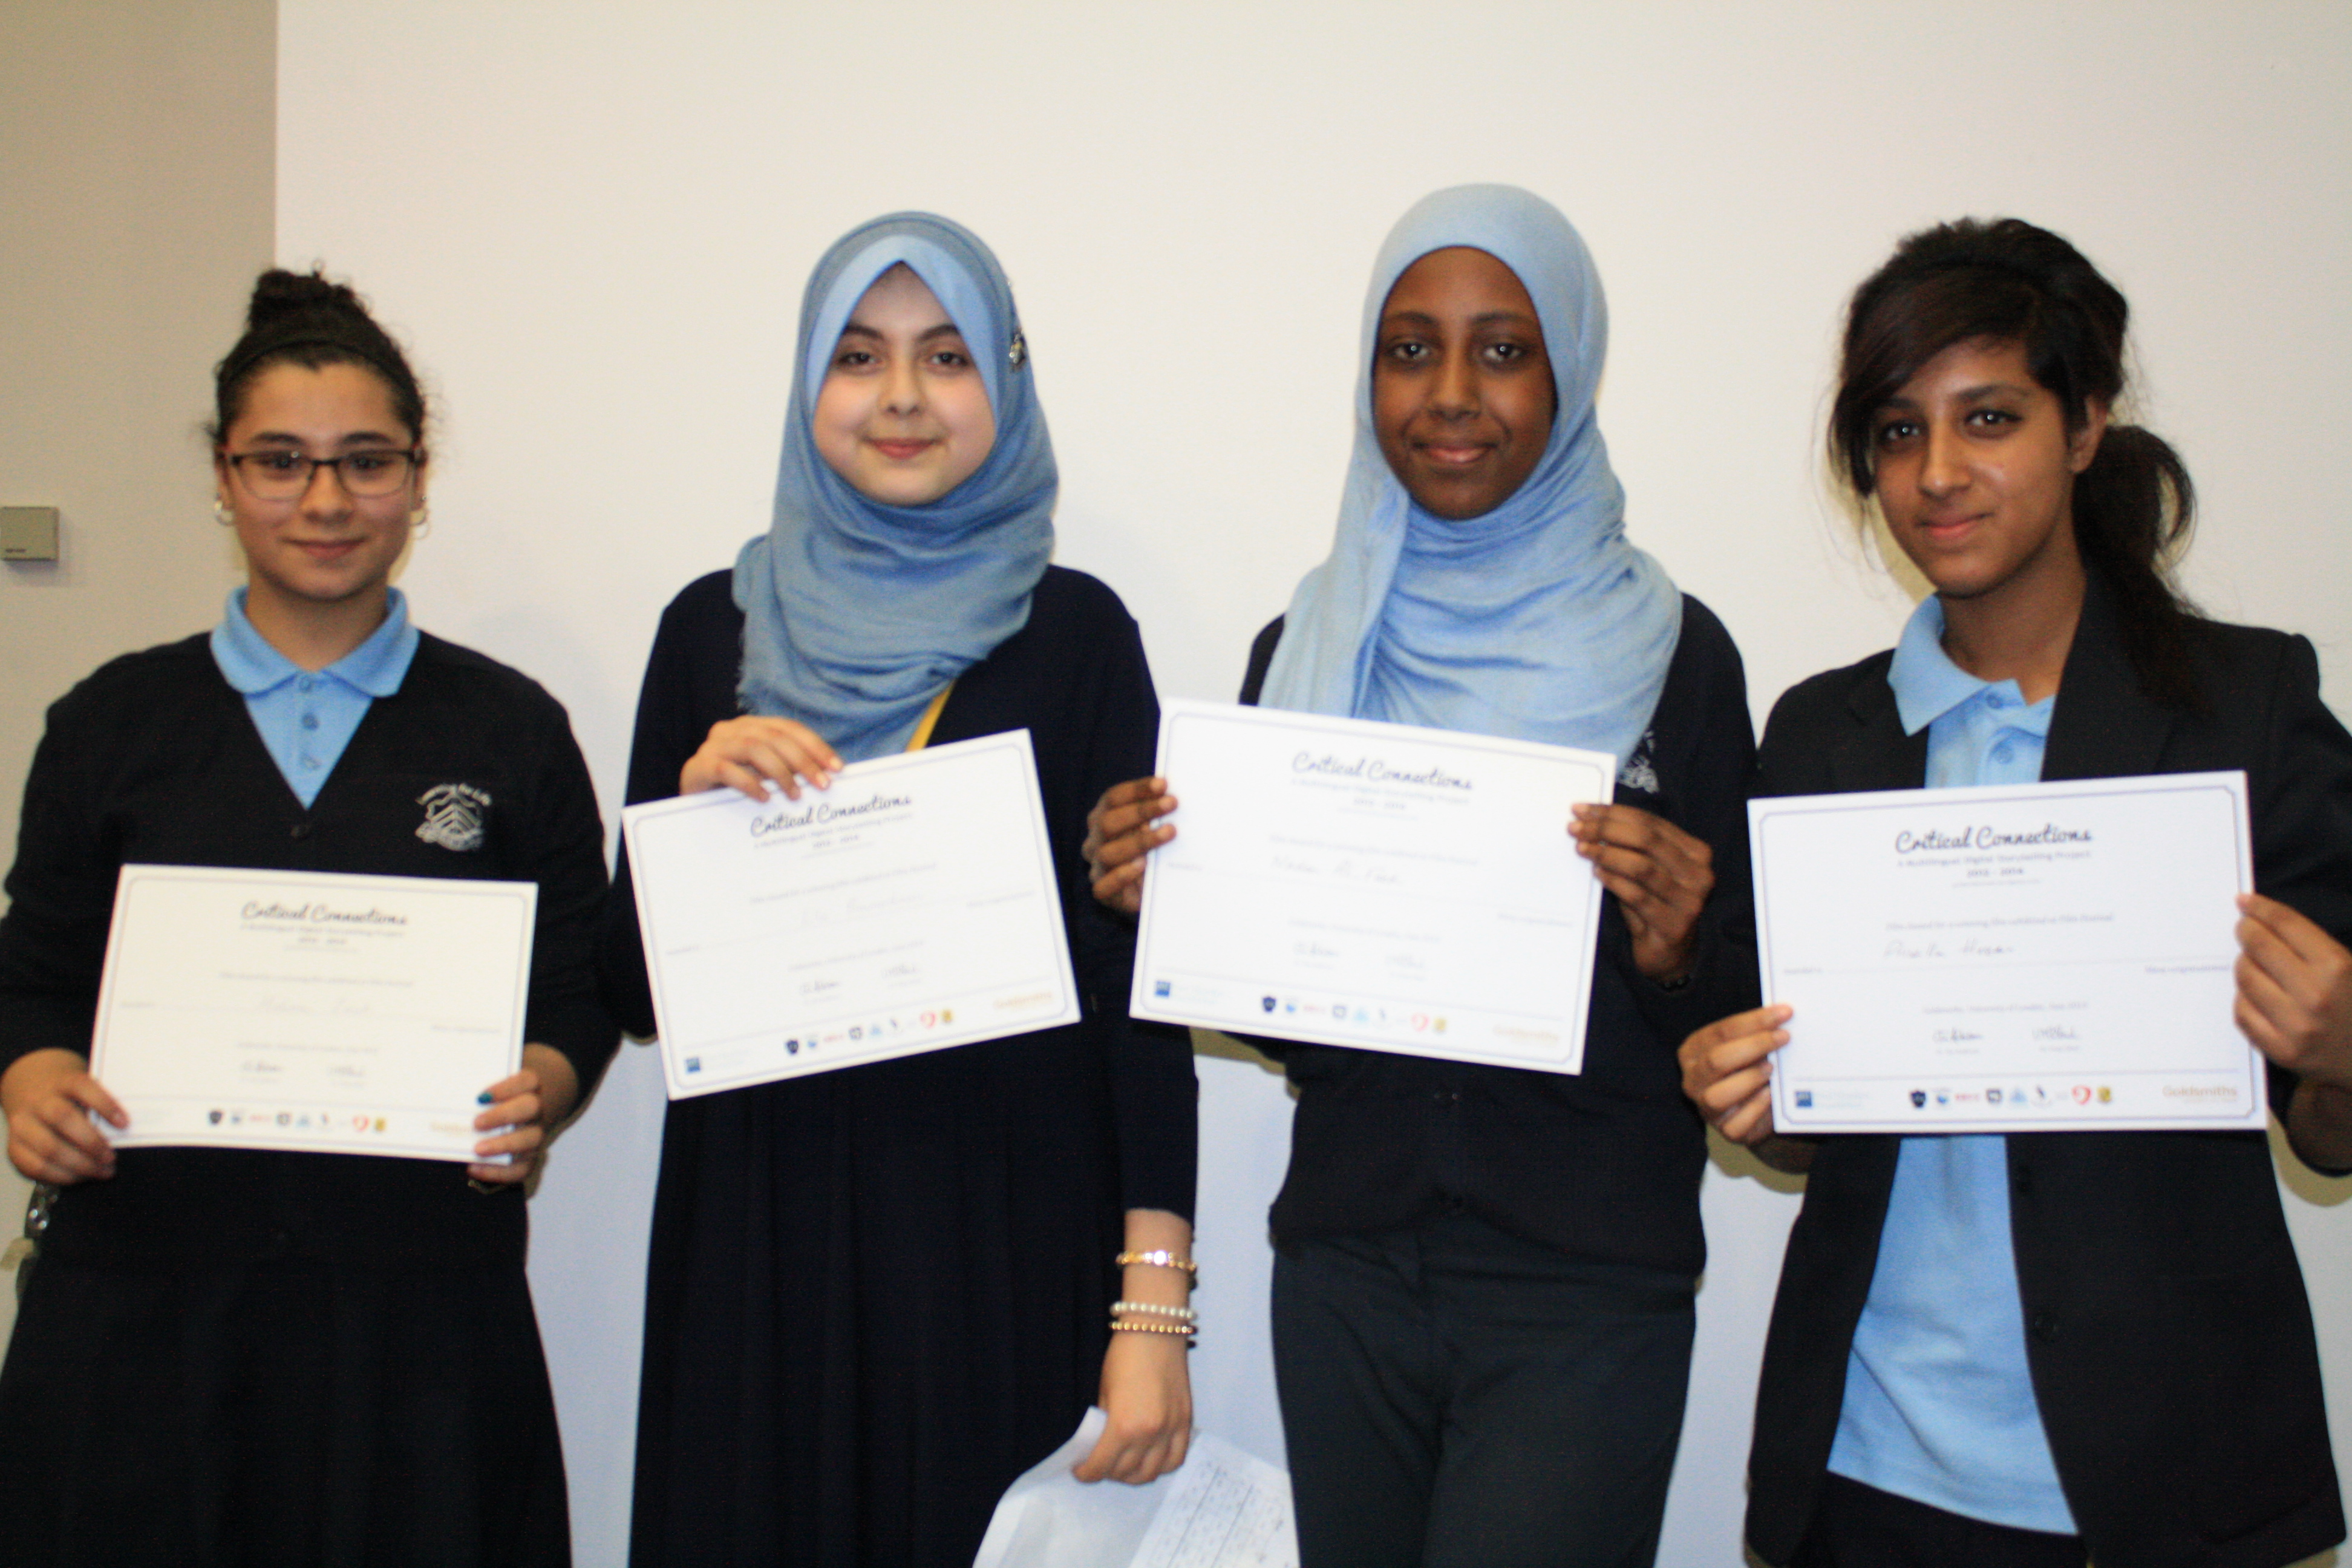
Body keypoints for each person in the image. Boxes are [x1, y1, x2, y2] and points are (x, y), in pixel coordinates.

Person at [1084, 185, 1757, 1567]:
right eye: (1410, 350)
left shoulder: (1675, 655)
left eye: (1503, 349)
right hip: (1349, 1275)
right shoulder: (1309, 644)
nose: (1451, 394)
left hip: (1587, 1291)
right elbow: (1299, 1026)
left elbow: (1738, 1024)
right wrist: (1180, 910)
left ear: (1569, 372)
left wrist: (1679, 948)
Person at [1681, 217, 2352, 1568]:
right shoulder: (1822, 737)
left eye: (1988, 417)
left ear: (2087, 423)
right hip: (1869, 1460)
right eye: (1897, 432)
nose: (1938, 473)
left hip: (2159, 1474)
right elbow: (1810, 1134)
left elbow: (2329, 1137)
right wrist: (1751, 1092)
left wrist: (2343, 1046)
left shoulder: (2244, 707)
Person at [603, 212, 1199, 1567]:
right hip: (758, 1248)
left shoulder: (1079, 636)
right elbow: (629, 991)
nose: (903, 398)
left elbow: (1139, 991)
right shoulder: (710, 632)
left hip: (1000, 1244)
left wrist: (1151, 1309)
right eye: (859, 356)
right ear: (808, 381)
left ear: (1006, 378)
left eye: (947, 356)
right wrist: (690, 819)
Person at [0, 269, 612, 1566]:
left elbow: (578, 984)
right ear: (223, 478)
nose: (325, 500)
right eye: (280, 461)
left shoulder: (508, 729)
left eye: (365, 462)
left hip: (418, 1322)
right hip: (147, 1313)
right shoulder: (111, 722)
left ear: (418, 481)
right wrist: (35, 1077)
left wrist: (543, 1087)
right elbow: (36, 969)